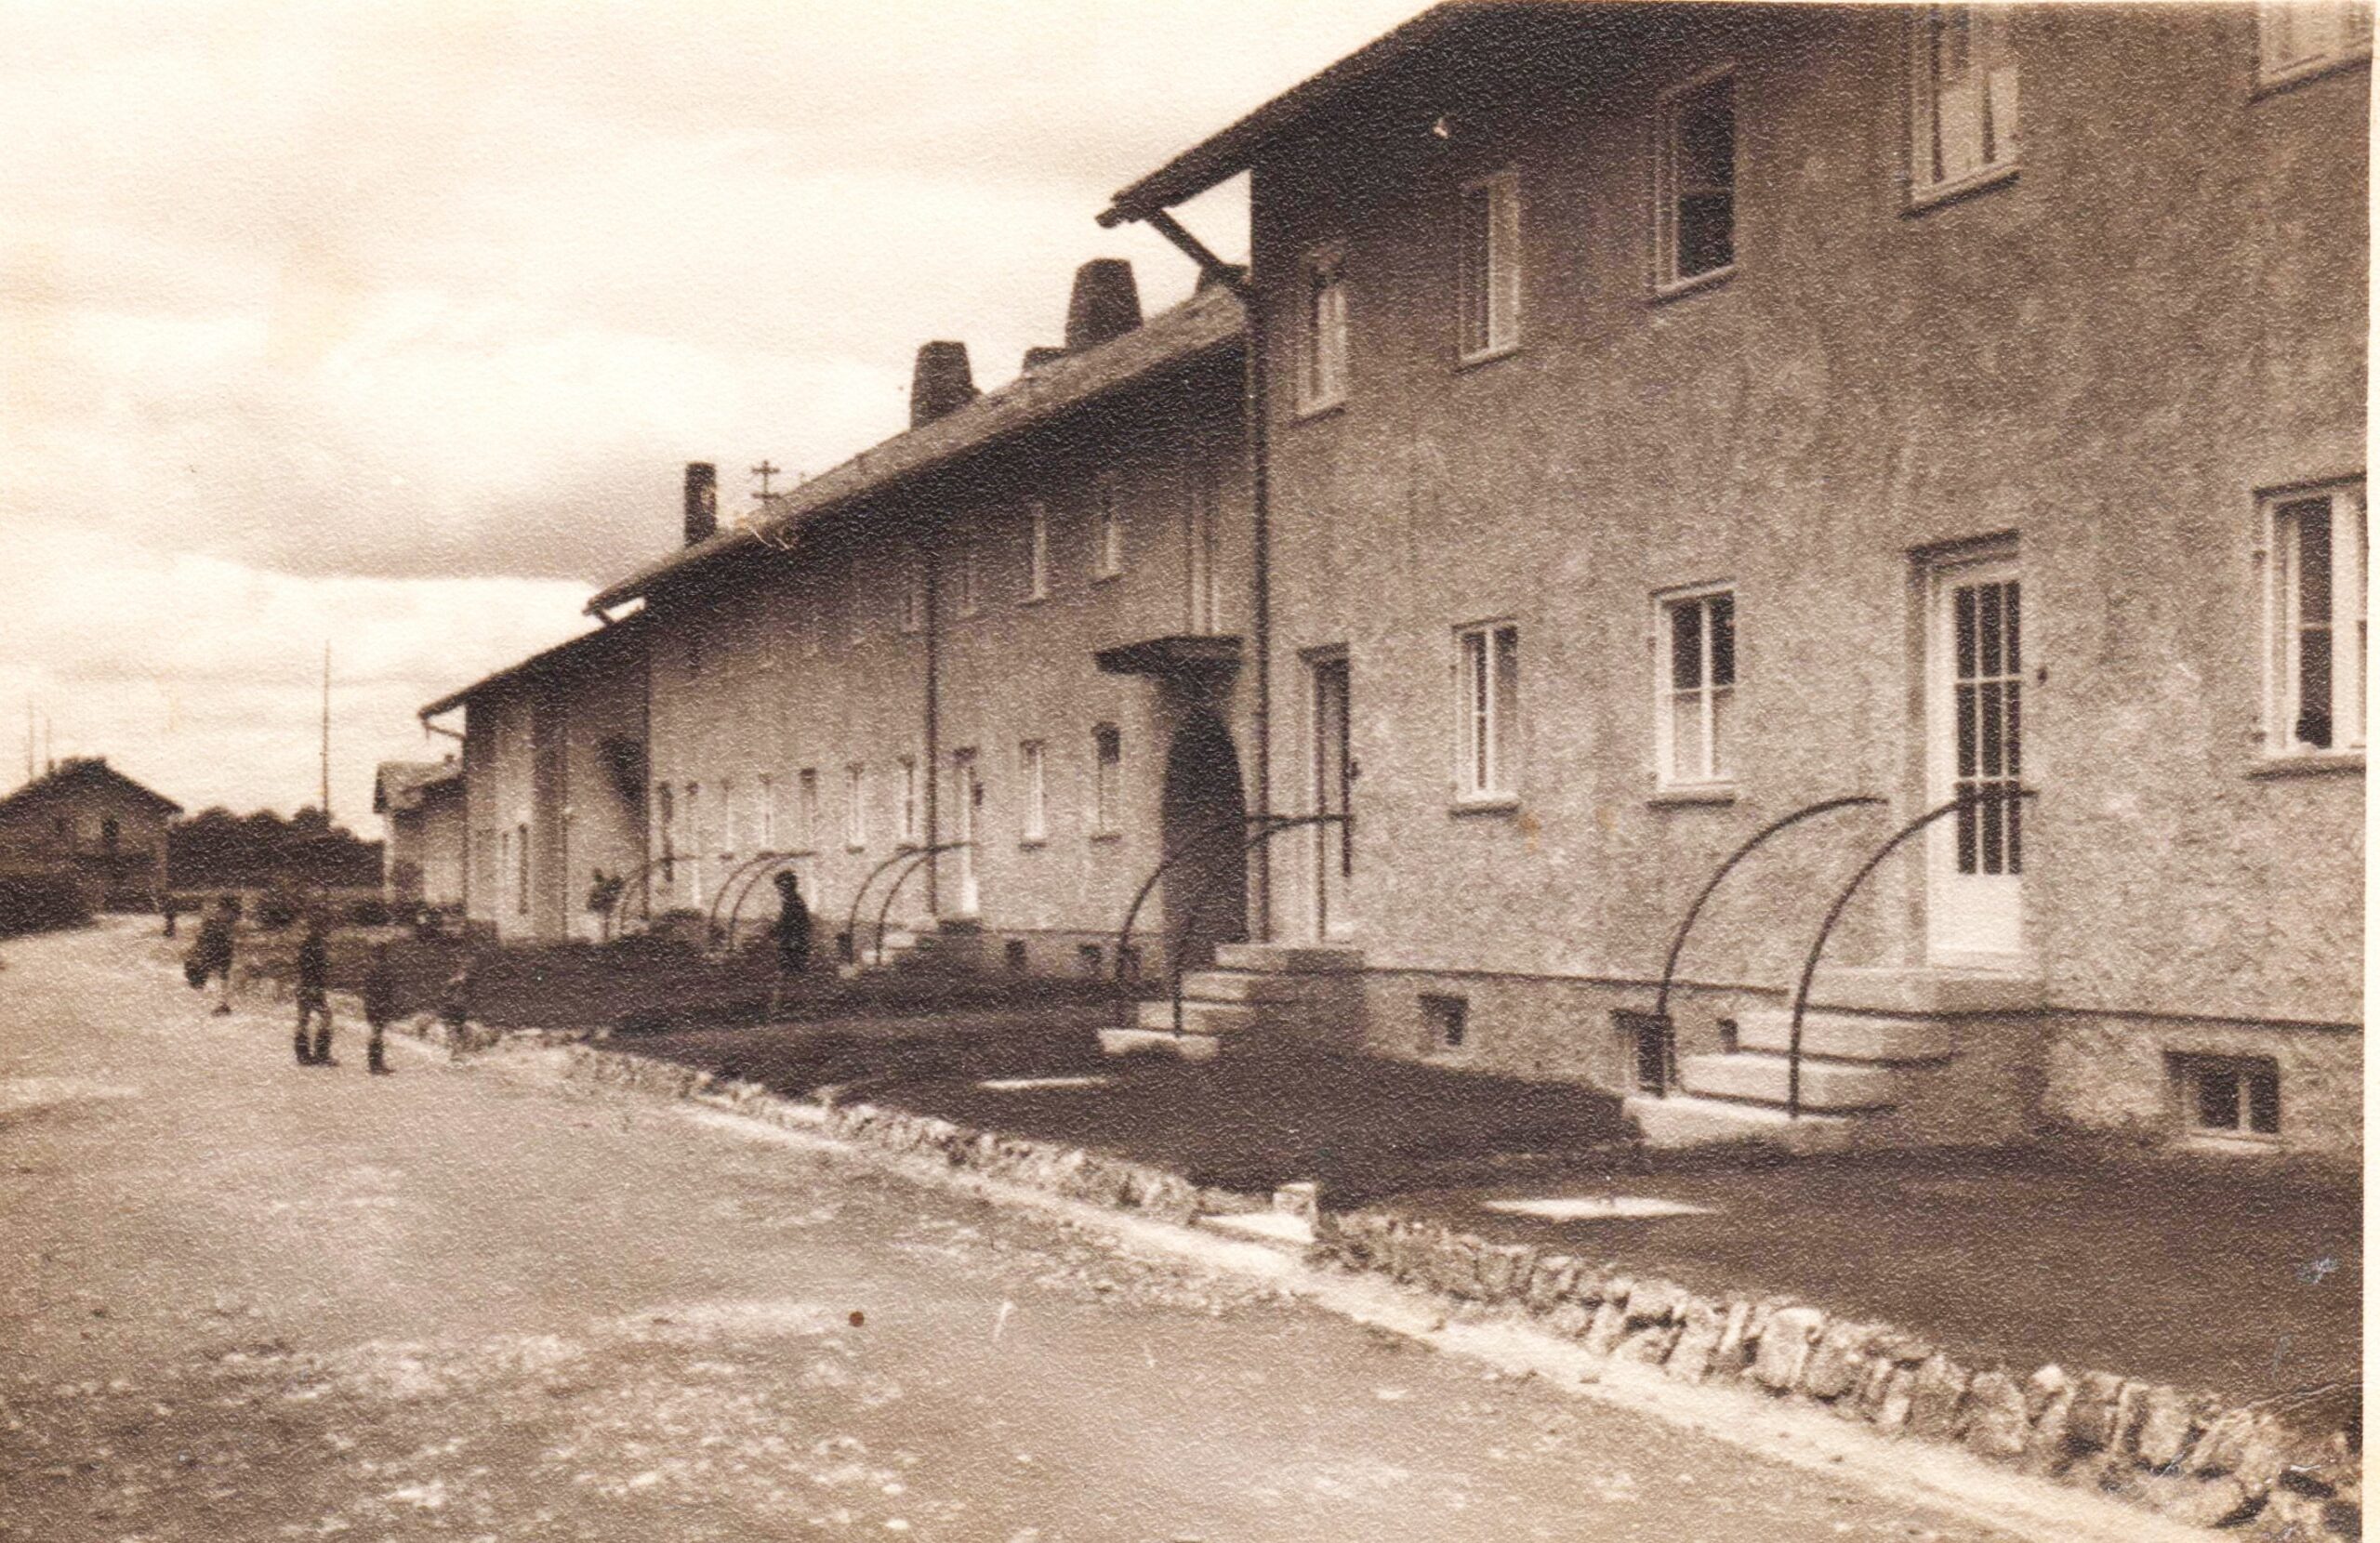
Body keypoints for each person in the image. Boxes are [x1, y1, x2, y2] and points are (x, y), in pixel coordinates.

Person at [768, 870, 812, 1017]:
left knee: (787, 975)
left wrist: (775, 931)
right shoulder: (793, 902)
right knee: (794, 975)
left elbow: (791, 924)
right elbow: (790, 924)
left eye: (782, 886)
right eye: (779, 886)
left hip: (793, 943)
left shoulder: (793, 902)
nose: (780, 890)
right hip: (793, 942)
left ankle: (777, 1008)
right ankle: (801, 1007)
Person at [294, 915, 334, 1066]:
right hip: (311, 987)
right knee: (325, 1017)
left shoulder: (310, 944)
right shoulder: (314, 945)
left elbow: (304, 967)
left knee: (304, 1018)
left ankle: (303, 1054)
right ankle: (320, 1054)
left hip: (307, 986)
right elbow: (309, 968)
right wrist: (313, 986)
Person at [190, 896, 238, 1016]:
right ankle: (222, 1003)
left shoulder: (214, 919)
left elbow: (203, 934)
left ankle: (219, 1003)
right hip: (221, 947)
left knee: (218, 975)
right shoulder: (227, 918)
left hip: (216, 947)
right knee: (222, 976)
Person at [361, 942, 399, 1075]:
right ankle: (375, 1064)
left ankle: (375, 1063)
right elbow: (386, 989)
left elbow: (368, 989)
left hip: (372, 1004)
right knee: (377, 1033)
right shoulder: (382, 969)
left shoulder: (371, 968)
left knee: (376, 1033)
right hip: (379, 1005)